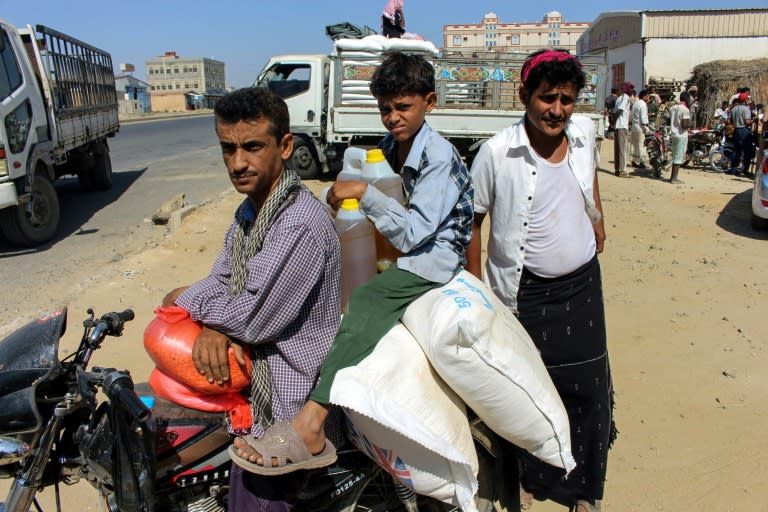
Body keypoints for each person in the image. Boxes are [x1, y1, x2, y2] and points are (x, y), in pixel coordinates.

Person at [230, 51, 474, 475]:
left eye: (403, 107)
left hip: (434, 257)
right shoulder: (388, 148)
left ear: (429, 103)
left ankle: (312, 422)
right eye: (385, 109)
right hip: (399, 249)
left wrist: (364, 193)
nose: (393, 117)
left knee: (364, 304)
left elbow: (416, 234)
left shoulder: (439, 157)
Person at [161, 87, 344, 510]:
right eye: (228, 149)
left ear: (284, 146)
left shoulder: (299, 223)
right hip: (253, 378)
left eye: (252, 147)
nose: (238, 162)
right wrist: (209, 322)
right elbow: (221, 280)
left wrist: (183, 298)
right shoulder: (249, 213)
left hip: (291, 398)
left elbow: (249, 318)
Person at [467, 49, 614, 512]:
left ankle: (584, 490)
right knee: (527, 390)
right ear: (524, 95)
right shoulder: (496, 152)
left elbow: (589, 178)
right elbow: (473, 221)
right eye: (547, 98)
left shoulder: (585, 133)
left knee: (589, 390)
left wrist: (597, 215)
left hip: (582, 285)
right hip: (522, 295)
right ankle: (528, 479)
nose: (557, 110)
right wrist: (475, 288)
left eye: (567, 100)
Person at [668, 91, 692, 184]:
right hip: (681, 134)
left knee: (675, 155)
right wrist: (691, 123)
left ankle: (672, 177)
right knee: (678, 156)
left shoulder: (673, 108)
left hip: (673, 133)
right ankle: (674, 178)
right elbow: (684, 125)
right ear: (687, 99)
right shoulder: (685, 110)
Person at [728, 92, 754, 176]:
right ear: (746, 100)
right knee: (747, 151)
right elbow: (747, 122)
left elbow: (730, 121)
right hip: (744, 131)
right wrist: (754, 120)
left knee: (736, 151)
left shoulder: (734, 109)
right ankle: (745, 170)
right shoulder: (746, 109)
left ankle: (733, 169)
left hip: (736, 130)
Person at [613, 81, 633, 177]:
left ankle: (617, 169)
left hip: (617, 125)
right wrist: (615, 118)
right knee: (623, 149)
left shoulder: (619, 98)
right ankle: (622, 170)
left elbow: (614, 111)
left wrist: (613, 121)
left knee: (618, 148)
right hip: (622, 125)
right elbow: (620, 109)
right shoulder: (625, 97)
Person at [629, 89, 651, 169]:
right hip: (640, 128)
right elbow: (643, 117)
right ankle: (642, 162)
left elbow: (631, 115)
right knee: (641, 145)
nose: (649, 97)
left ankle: (635, 161)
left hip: (634, 127)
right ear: (644, 96)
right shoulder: (643, 104)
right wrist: (646, 127)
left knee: (635, 145)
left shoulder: (635, 103)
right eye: (648, 96)